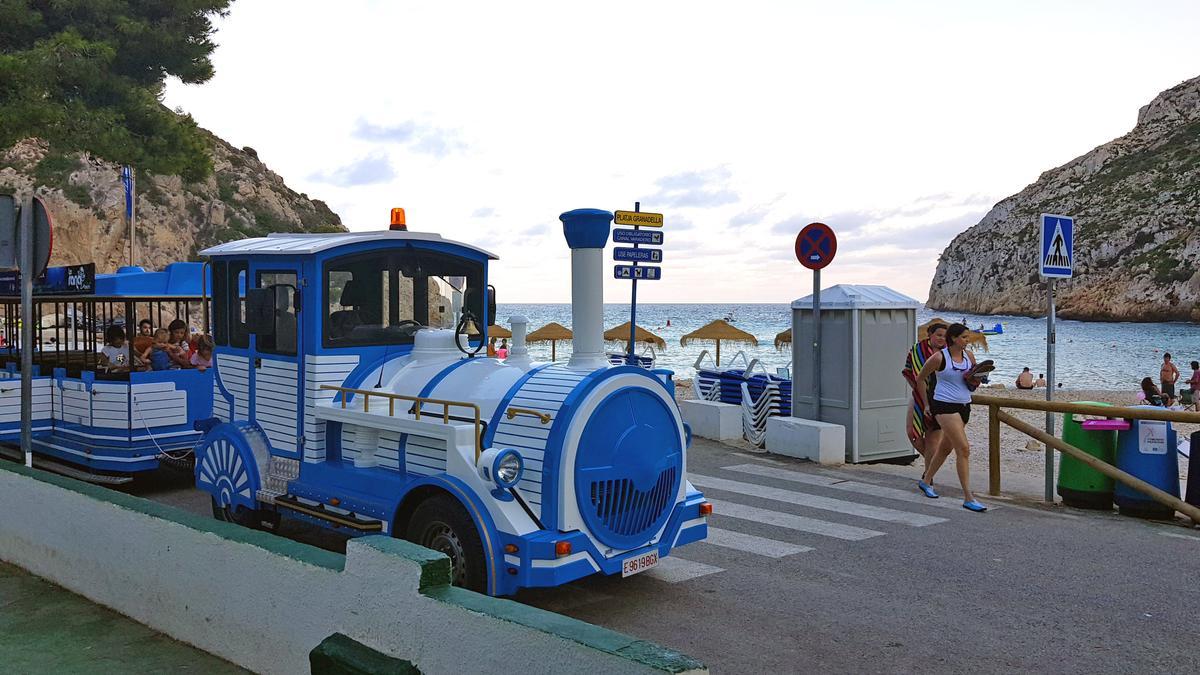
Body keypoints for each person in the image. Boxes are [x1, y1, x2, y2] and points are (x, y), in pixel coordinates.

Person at [915, 323, 987, 512]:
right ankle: (968, 497)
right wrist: (927, 404)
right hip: (944, 405)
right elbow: (920, 378)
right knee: (963, 448)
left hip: (964, 405)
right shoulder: (939, 357)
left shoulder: (969, 357)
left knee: (945, 448)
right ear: (954, 338)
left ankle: (926, 480)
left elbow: (973, 379)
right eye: (964, 337)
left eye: (968, 337)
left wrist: (977, 378)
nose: (967, 340)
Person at [902, 321, 948, 465]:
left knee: (932, 439)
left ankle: (928, 476)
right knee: (912, 433)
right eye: (939, 335)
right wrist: (916, 390)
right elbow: (908, 371)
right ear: (930, 335)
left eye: (945, 336)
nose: (942, 339)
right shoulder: (917, 350)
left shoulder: (948, 353)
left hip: (940, 398)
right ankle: (934, 462)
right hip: (918, 396)